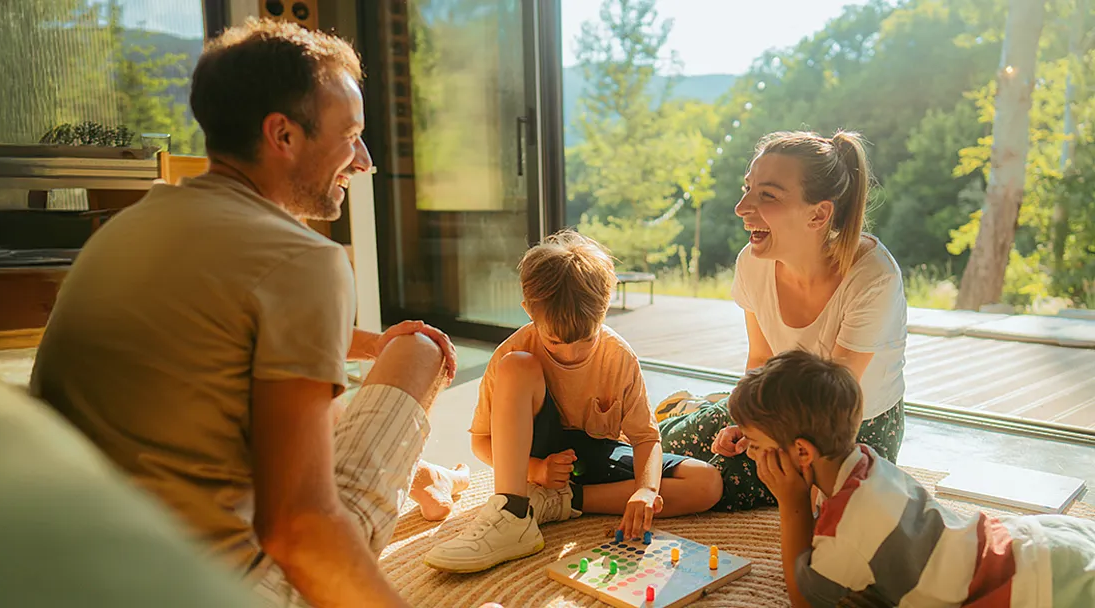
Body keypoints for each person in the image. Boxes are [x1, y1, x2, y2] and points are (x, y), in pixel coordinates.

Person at [31, 19, 462, 607]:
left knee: (352, 370)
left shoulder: (128, 227)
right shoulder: (303, 260)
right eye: (351, 135)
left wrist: (370, 344)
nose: (364, 160)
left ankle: (422, 474)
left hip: (82, 566)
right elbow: (299, 530)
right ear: (282, 135)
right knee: (420, 352)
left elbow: (226, 330)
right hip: (219, 586)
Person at [423, 231, 723, 573]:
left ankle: (562, 504)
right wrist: (535, 469)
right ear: (528, 311)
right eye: (554, 341)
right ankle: (513, 512)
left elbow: (645, 438)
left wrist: (644, 490)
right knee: (517, 367)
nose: (572, 353)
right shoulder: (511, 354)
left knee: (707, 482)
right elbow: (481, 441)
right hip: (535, 457)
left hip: (595, 456)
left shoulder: (619, 357)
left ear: (605, 308)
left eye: (586, 339)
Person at [657, 130, 908, 512]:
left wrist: (760, 434)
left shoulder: (874, 277)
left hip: (847, 427)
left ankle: (698, 408)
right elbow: (759, 358)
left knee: (720, 479)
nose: (742, 207)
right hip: (777, 404)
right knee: (663, 446)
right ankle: (694, 411)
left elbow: (833, 402)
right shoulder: (752, 262)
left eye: (767, 195)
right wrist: (744, 421)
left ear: (819, 214)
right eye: (747, 189)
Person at [730, 349, 1095, 608]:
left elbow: (804, 599)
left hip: (1031, 586)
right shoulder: (866, 463)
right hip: (1036, 543)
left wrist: (791, 503)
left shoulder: (848, 528)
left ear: (803, 453)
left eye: (759, 445)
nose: (751, 451)